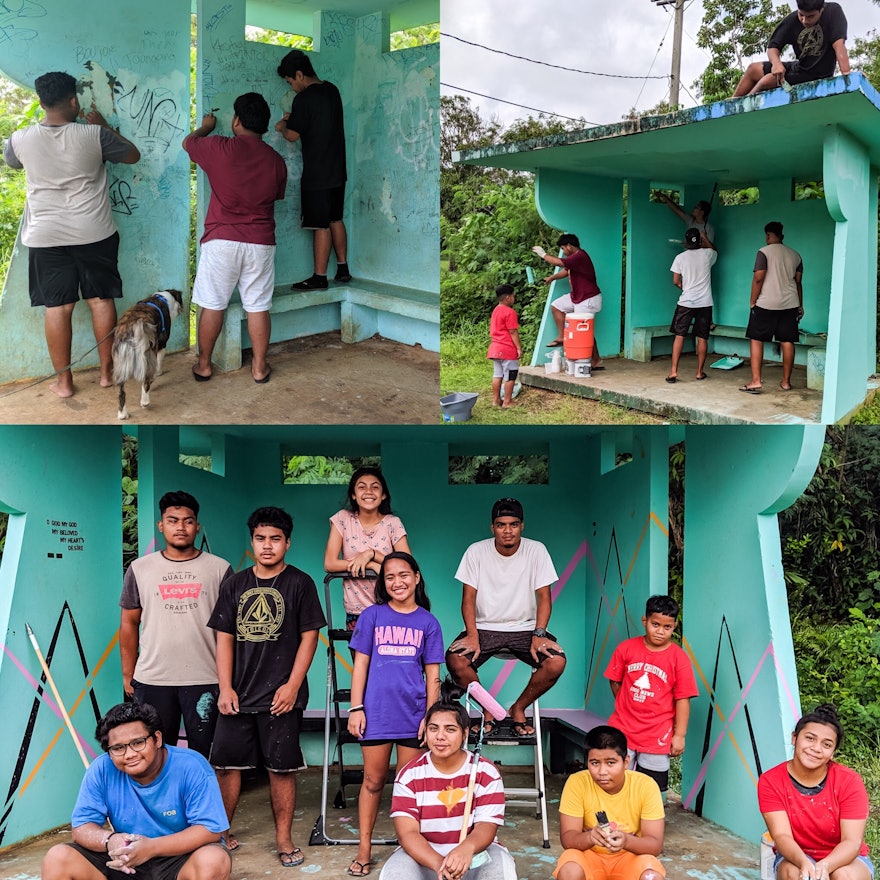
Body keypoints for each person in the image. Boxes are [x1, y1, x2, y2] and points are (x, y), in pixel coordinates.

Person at [3, 71, 140, 399]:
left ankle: (64, 383)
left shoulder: (19, 139)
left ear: (40, 102)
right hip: (94, 233)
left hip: (46, 237)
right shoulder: (94, 135)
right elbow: (132, 155)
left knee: (57, 308)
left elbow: (13, 164)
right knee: (100, 299)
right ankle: (106, 374)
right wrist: (104, 126)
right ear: (75, 101)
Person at [207, 506, 326, 868]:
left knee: (281, 768)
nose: (267, 546)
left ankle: (283, 838)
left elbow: (310, 638)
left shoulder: (300, 583)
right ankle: (220, 831)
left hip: (281, 697)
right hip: (238, 694)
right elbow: (224, 638)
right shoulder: (235, 584)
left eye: (275, 539)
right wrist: (224, 688)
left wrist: (292, 685)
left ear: (287, 543)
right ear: (253, 542)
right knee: (226, 767)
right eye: (261, 539)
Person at [40, 701, 230, 880]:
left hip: (179, 858)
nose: (130, 754)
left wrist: (152, 847)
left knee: (213, 860)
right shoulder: (101, 769)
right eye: (118, 748)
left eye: (138, 742)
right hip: (125, 860)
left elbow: (210, 829)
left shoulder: (191, 766)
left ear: (157, 739)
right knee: (58, 857)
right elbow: (82, 827)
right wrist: (110, 840)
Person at [346, 552, 444, 877]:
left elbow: (433, 675)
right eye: (389, 577)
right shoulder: (372, 616)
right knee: (373, 781)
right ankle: (364, 848)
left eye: (404, 575)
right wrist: (356, 708)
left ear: (417, 577)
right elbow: (360, 665)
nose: (397, 582)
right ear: (382, 583)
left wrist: (430, 718)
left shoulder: (428, 622)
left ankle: (409, 848)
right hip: (374, 714)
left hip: (413, 715)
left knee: (407, 787)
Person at [119, 490, 233, 763]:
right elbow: (129, 622)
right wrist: (127, 673)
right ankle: (161, 807)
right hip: (152, 679)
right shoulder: (140, 568)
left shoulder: (220, 569)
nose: (180, 527)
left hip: (206, 678)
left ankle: (199, 807)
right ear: (161, 525)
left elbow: (230, 631)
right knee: (154, 755)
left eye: (187, 521)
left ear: (197, 526)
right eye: (172, 520)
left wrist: (229, 680)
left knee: (205, 757)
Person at [183, 93, 287, 384]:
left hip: (222, 240)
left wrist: (205, 127)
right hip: (261, 242)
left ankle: (204, 365)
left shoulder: (219, 147)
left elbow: (188, 144)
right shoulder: (277, 161)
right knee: (257, 305)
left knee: (213, 303)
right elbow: (276, 196)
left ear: (237, 120)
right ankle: (259, 367)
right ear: (264, 125)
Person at [445, 497, 565, 737]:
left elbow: (544, 598)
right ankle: (489, 710)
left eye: (513, 524)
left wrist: (539, 634)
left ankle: (518, 708)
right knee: (455, 660)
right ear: (492, 528)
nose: (507, 530)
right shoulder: (476, 551)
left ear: (522, 526)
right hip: (484, 627)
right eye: (501, 525)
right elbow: (468, 599)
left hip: (526, 628)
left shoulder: (536, 550)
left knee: (556, 662)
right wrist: (472, 634)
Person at [383, 686, 517, 880]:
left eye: (450, 729)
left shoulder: (485, 773)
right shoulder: (409, 775)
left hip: (475, 855)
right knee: (395, 873)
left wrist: (466, 848)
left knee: (500, 871)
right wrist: (440, 865)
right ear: (426, 732)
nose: (440, 736)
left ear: (464, 734)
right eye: (433, 728)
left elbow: (486, 827)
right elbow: (408, 834)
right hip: (424, 858)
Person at [757, 704, 872, 880]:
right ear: (794, 738)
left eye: (826, 744)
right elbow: (782, 835)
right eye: (810, 738)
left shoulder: (849, 782)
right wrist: (805, 863)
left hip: (846, 859)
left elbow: (851, 842)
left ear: (832, 752)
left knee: (844, 876)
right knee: (797, 875)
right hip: (796, 856)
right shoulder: (770, 781)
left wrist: (825, 866)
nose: (816, 748)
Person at [604, 596, 698, 802]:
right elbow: (614, 681)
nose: (660, 631)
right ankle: (616, 822)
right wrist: (625, 704)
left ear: (674, 626)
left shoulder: (679, 658)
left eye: (667, 627)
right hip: (622, 728)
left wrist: (679, 735)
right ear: (645, 621)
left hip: (658, 734)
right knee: (613, 781)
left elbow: (683, 698)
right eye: (655, 624)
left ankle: (650, 828)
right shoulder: (626, 648)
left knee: (654, 792)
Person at [275, 49, 350, 291]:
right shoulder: (332, 90)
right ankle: (342, 268)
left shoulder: (304, 99)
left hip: (317, 172)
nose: (292, 87)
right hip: (338, 170)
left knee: (320, 225)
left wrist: (283, 124)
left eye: (290, 82)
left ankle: (319, 277)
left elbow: (292, 136)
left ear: (299, 74)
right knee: (335, 217)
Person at [553, 725, 665, 880]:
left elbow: (655, 844)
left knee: (652, 876)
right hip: (590, 856)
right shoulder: (577, 782)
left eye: (611, 762)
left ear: (626, 762)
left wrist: (626, 841)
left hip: (630, 857)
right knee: (569, 870)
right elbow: (568, 838)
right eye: (594, 763)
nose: (602, 772)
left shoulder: (646, 785)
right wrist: (590, 838)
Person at [324, 466, 411, 631]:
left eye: (375, 487)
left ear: (383, 495)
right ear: (353, 495)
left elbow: (406, 565)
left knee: (390, 656)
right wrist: (370, 565)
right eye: (362, 487)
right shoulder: (343, 519)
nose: (369, 491)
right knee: (360, 658)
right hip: (356, 611)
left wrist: (372, 555)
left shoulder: (393, 523)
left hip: (391, 606)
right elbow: (330, 563)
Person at [733, 0, 850, 97]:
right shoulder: (792, 20)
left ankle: (744, 106)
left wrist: (847, 74)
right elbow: (773, 47)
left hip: (817, 77)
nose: (804, 20)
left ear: (821, 10)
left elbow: (839, 46)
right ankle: (730, 105)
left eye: (810, 16)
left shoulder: (833, 12)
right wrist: (776, 63)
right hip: (799, 69)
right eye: (801, 15)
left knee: (768, 79)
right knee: (753, 69)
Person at [740, 221, 804, 394]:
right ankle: (785, 382)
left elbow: (758, 278)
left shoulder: (764, 252)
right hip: (790, 303)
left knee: (756, 338)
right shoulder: (795, 255)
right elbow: (798, 282)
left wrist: (752, 301)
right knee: (787, 340)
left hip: (766, 303)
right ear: (781, 235)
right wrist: (800, 304)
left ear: (768, 235)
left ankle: (755, 381)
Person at [532, 235, 603, 368]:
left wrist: (543, 254)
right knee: (556, 306)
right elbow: (566, 271)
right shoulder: (574, 259)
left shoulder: (580, 256)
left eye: (563, 248)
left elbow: (559, 263)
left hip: (588, 298)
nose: (563, 251)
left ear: (569, 246)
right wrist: (552, 278)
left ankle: (595, 360)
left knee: (583, 330)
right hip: (577, 296)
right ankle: (561, 336)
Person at [665, 228, 718, 384]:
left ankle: (674, 371)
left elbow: (675, 281)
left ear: (686, 242)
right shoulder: (708, 255)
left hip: (686, 302)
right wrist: (705, 237)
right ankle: (699, 372)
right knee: (702, 337)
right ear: (700, 241)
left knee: (679, 336)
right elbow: (714, 249)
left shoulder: (680, 258)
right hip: (705, 302)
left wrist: (684, 287)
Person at [487, 284, 523, 409]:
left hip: (495, 348)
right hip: (507, 348)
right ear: (508, 298)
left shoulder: (496, 310)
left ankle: (496, 400)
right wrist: (518, 348)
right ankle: (507, 402)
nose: (514, 298)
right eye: (513, 296)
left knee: (498, 374)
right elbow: (513, 331)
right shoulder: (510, 312)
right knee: (511, 375)